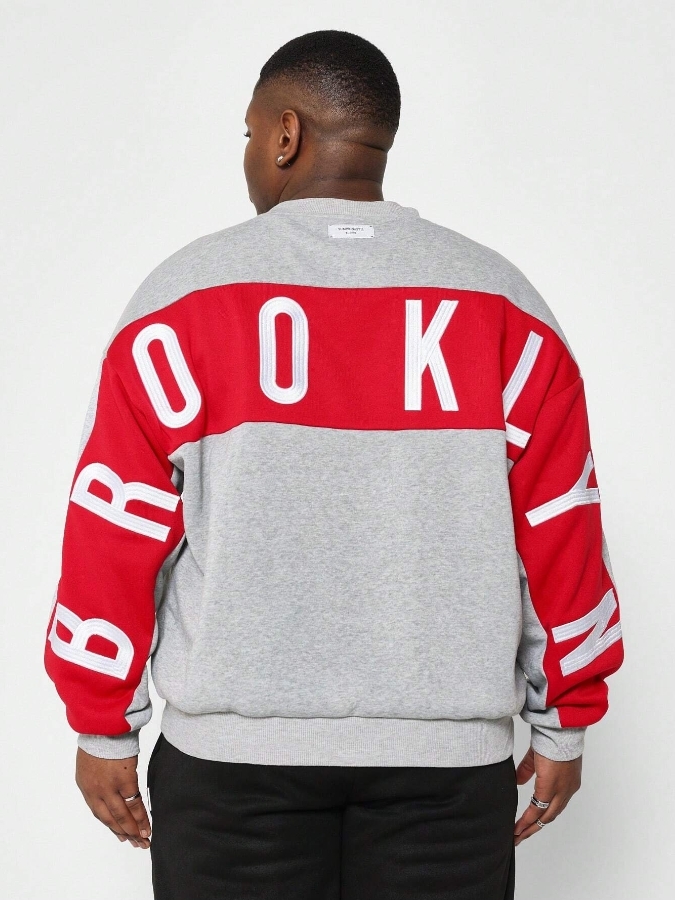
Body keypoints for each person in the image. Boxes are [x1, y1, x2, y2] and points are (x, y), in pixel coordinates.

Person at [44, 29, 624, 900]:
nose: (249, 154)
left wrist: (102, 724)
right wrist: (563, 720)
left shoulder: (184, 301)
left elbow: (116, 523)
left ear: (285, 133)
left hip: (231, 768)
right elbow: (559, 527)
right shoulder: (502, 304)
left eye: (250, 134)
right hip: (446, 772)